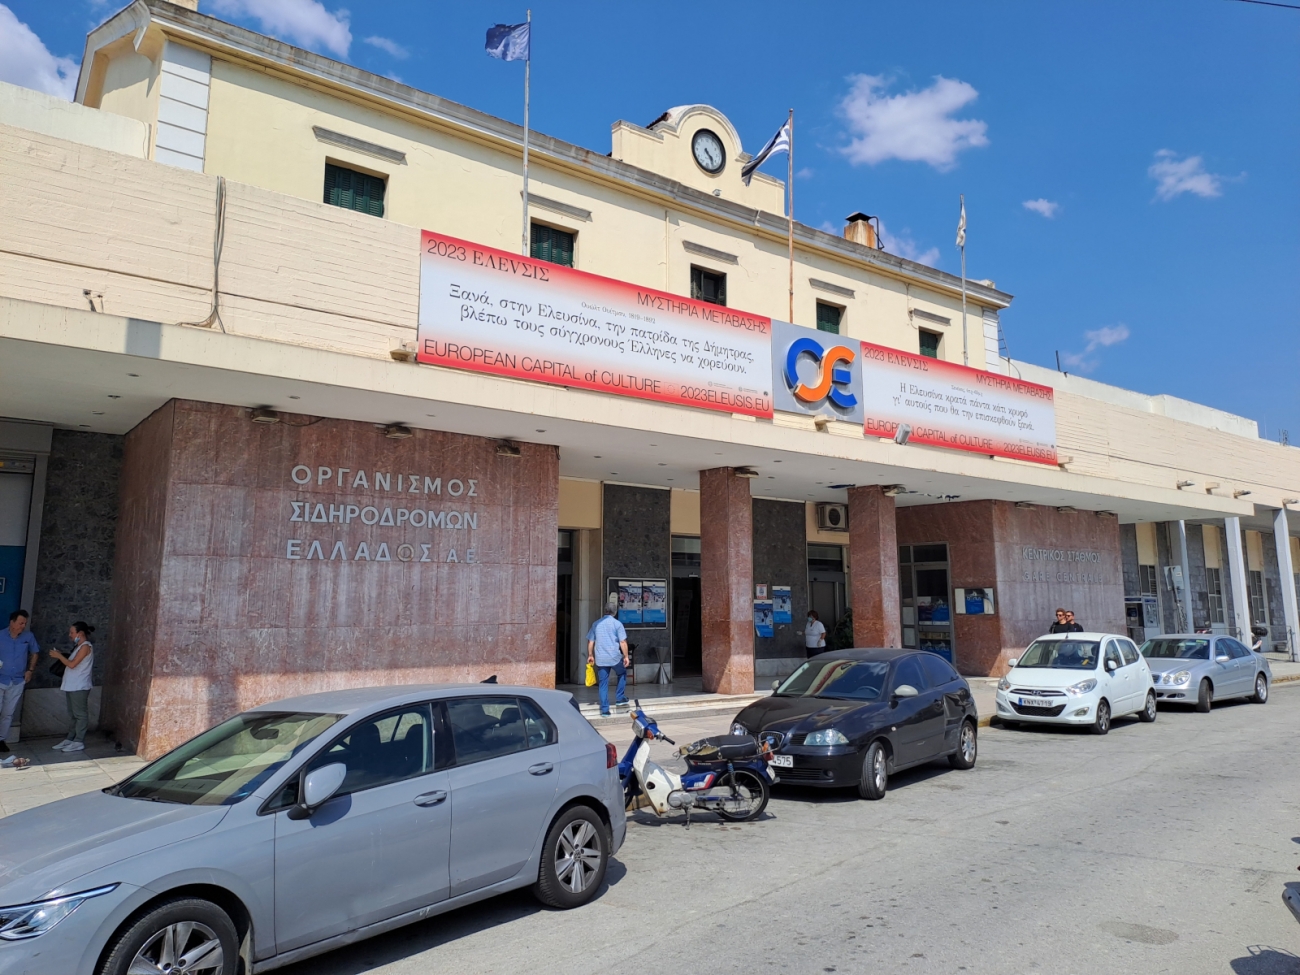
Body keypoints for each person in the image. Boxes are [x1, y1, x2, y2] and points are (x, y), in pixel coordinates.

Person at [48, 622, 95, 753]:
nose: (70, 635)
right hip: (72, 685)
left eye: (72, 633)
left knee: (80, 714)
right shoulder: (78, 647)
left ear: (80, 634)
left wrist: (59, 656)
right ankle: (70, 738)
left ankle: (79, 740)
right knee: (73, 714)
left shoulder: (85, 647)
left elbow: (72, 664)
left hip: (79, 685)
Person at [0, 611, 38, 754]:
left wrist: (30, 670)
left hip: (17, 680)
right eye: (21, 623)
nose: (23, 626)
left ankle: (1, 740)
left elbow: (35, 653)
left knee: (8, 713)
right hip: (0, 679)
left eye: (25, 623)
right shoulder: (0, 636)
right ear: (12, 622)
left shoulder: (28, 637)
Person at [587, 603, 629, 716]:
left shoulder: (596, 624)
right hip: (614, 657)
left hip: (601, 658)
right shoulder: (617, 624)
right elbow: (623, 642)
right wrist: (626, 656)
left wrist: (590, 655)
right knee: (622, 673)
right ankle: (620, 698)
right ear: (615, 612)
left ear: (604, 611)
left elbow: (591, 641)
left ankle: (605, 710)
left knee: (603, 683)